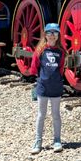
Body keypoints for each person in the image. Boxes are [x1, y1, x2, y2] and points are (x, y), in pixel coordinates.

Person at [29, 23, 65, 154]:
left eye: (55, 33)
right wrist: (40, 79)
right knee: (41, 114)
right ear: (45, 34)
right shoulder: (40, 50)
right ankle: (38, 140)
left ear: (58, 35)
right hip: (43, 86)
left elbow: (61, 68)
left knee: (56, 114)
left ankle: (57, 140)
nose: (52, 35)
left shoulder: (61, 52)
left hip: (55, 86)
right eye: (49, 32)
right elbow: (34, 67)